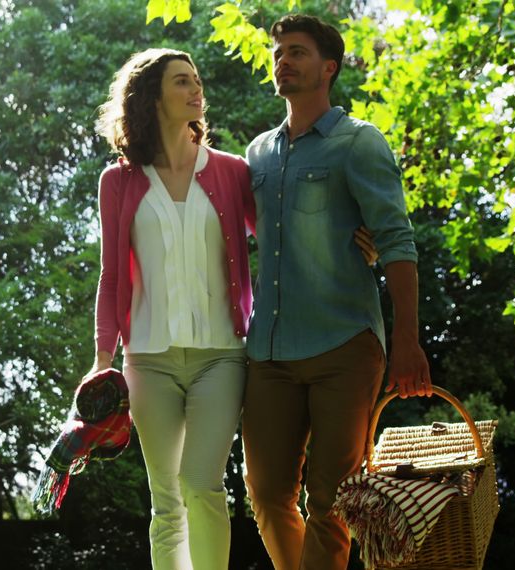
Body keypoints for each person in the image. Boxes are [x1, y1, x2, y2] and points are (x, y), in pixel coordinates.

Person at [87, 47, 376, 570]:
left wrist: (354, 237)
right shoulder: (119, 181)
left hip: (220, 355)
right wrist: (102, 359)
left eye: (196, 80)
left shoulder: (229, 172)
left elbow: (285, 230)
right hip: (146, 359)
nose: (197, 89)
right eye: (182, 82)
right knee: (165, 502)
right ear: (151, 98)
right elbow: (111, 273)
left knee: (200, 482)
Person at [239, 14, 433, 570]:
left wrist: (407, 341)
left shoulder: (358, 143)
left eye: (296, 52)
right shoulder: (256, 156)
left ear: (328, 67)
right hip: (268, 354)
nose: (284, 61)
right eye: (278, 53)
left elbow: (397, 241)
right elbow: (244, 230)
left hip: (344, 346)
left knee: (332, 501)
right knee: (267, 495)